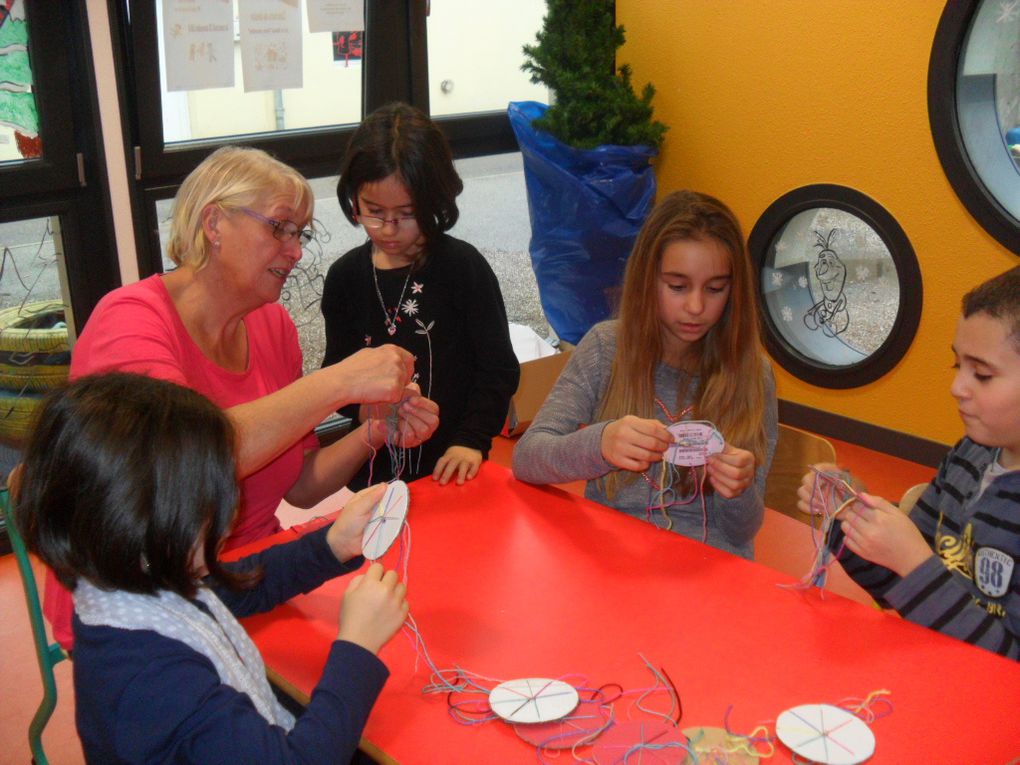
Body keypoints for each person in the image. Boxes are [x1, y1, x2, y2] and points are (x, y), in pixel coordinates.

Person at [43, 145, 438, 650]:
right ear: (214, 224)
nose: (296, 252)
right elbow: (178, 473)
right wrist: (337, 382)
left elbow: (298, 486)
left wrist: (375, 432)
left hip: (253, 577)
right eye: (279, 228)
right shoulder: (130, 322)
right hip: (144, 600)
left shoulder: (272, 327)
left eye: (301, 234)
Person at [13, 373, 409, 763]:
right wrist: (357, 647)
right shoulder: (153, 680)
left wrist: (331, 546)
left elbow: (242, 584)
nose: (230, 513)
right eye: (211, 502)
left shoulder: (128, 587)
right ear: (142, 524)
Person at [513, 190, 777, 559]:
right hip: (615, 558)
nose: (696, 306)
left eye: (716, 288)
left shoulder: (751, 374)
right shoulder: (608, 348)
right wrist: (600, 443)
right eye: (677, 286)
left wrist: (740, 489)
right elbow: (528, 457)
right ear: (647, 279)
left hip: (710, 570)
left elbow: (743, 530)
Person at [798, 267, 1020, 659]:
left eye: (982, 374)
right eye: (958, 366)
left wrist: (914, 562)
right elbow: (893, 590)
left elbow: (1007, 663)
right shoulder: (969, 457)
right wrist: (850, 516)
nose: (957, 388)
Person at [322, 102, 520, 488]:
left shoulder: (462, 268)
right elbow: (336, 380)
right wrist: (368, 411)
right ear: (353, 199)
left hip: (453, 463)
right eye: (373, 211)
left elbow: (498, 368)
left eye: (406, 213)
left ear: (435, 201)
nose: (389, 229)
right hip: (374, 467)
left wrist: (472, 441)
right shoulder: (345, 277)